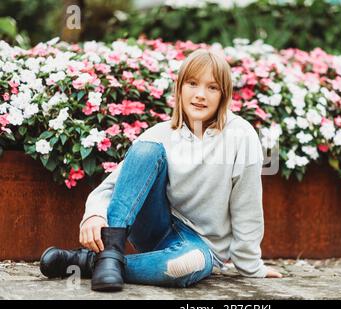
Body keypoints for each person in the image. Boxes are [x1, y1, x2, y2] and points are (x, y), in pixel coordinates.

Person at [40, 48, 282, 292]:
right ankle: (111, 252)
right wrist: (93, 213)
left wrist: (251, 266)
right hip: (155, 226)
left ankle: (92, 263)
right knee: (146, 150)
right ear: (180, 88)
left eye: (212, 87)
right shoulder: (160, 134)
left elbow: (247, 206)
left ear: (223, 95)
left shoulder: (241, 136)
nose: (200, 95)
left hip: (201, 246)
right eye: (192, 83)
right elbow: (114, 185)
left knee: (184, 265)